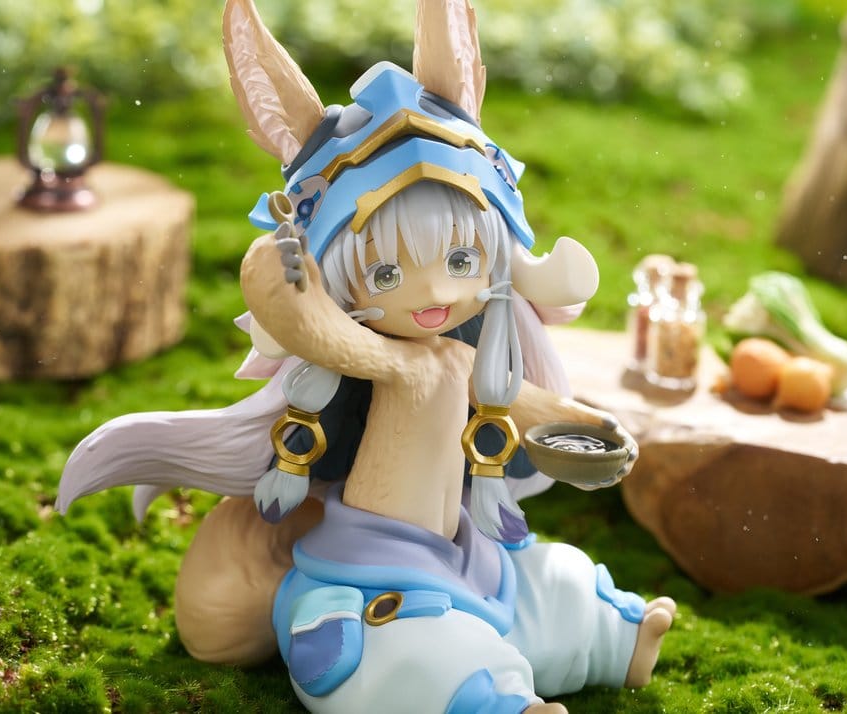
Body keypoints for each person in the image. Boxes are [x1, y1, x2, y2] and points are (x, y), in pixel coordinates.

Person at [57, 0, 675, 710]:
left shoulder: (460, 353)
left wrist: (584, 427)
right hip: (370, 574)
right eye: (386, 274)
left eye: (462, 261)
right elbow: (288, 300)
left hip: (460, 547)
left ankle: (621, 641)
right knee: (418, 659)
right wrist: (370, 348)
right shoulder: (379, 363)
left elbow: (514, 401)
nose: (436, 293)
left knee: (551, 585)